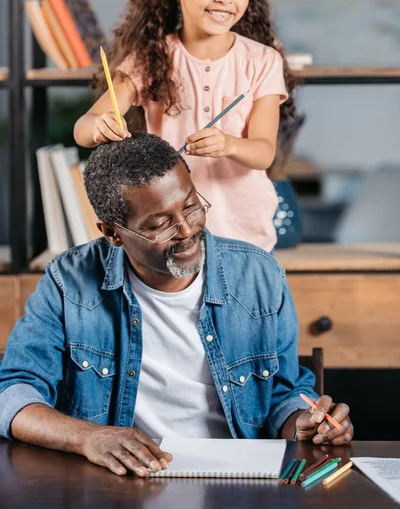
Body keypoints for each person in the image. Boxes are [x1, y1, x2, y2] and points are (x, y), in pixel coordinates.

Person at [0, 133, 353, 477]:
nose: (186, 230)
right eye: (160, 224)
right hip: (122, 482)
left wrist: (306, 424)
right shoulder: (70, 280)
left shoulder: (259, 275)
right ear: (113, 233)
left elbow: (284, 392)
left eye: (191, 206)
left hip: (237, 481)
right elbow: (12, 394)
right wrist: (89, 437)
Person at [73, 0, 297, 252]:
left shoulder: (263, 60)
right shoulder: (149, 56)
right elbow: (83, 128)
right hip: (170, 232)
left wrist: (228, 145)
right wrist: (100, 126)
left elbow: (264, 152)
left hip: (244, 233)